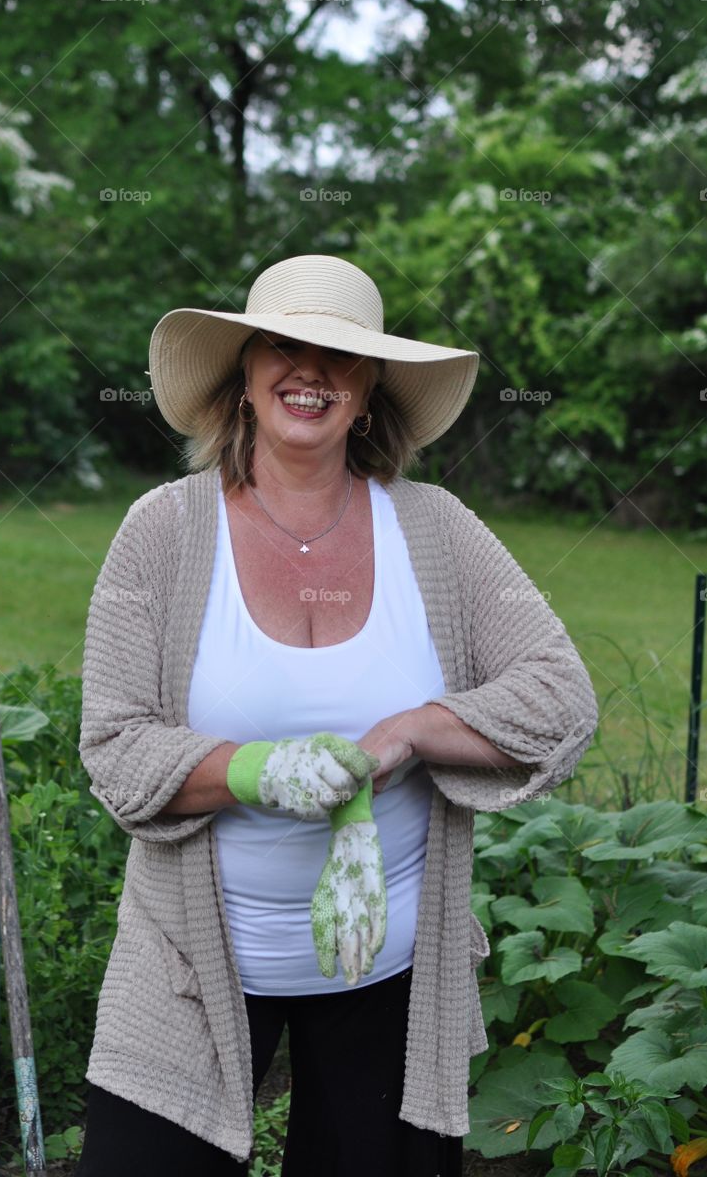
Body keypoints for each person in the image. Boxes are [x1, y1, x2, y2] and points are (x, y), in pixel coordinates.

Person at [74, 254, 599, 1176]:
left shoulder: (434, 530)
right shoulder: (162, 530)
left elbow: (559, 698)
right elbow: (115, 745)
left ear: (366, 396)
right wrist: (257, 771)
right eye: (284, 344)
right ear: (243, 376)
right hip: (190, 971)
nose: (309, 371)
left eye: (341, 357)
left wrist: (406, 734)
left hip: (386, 974)